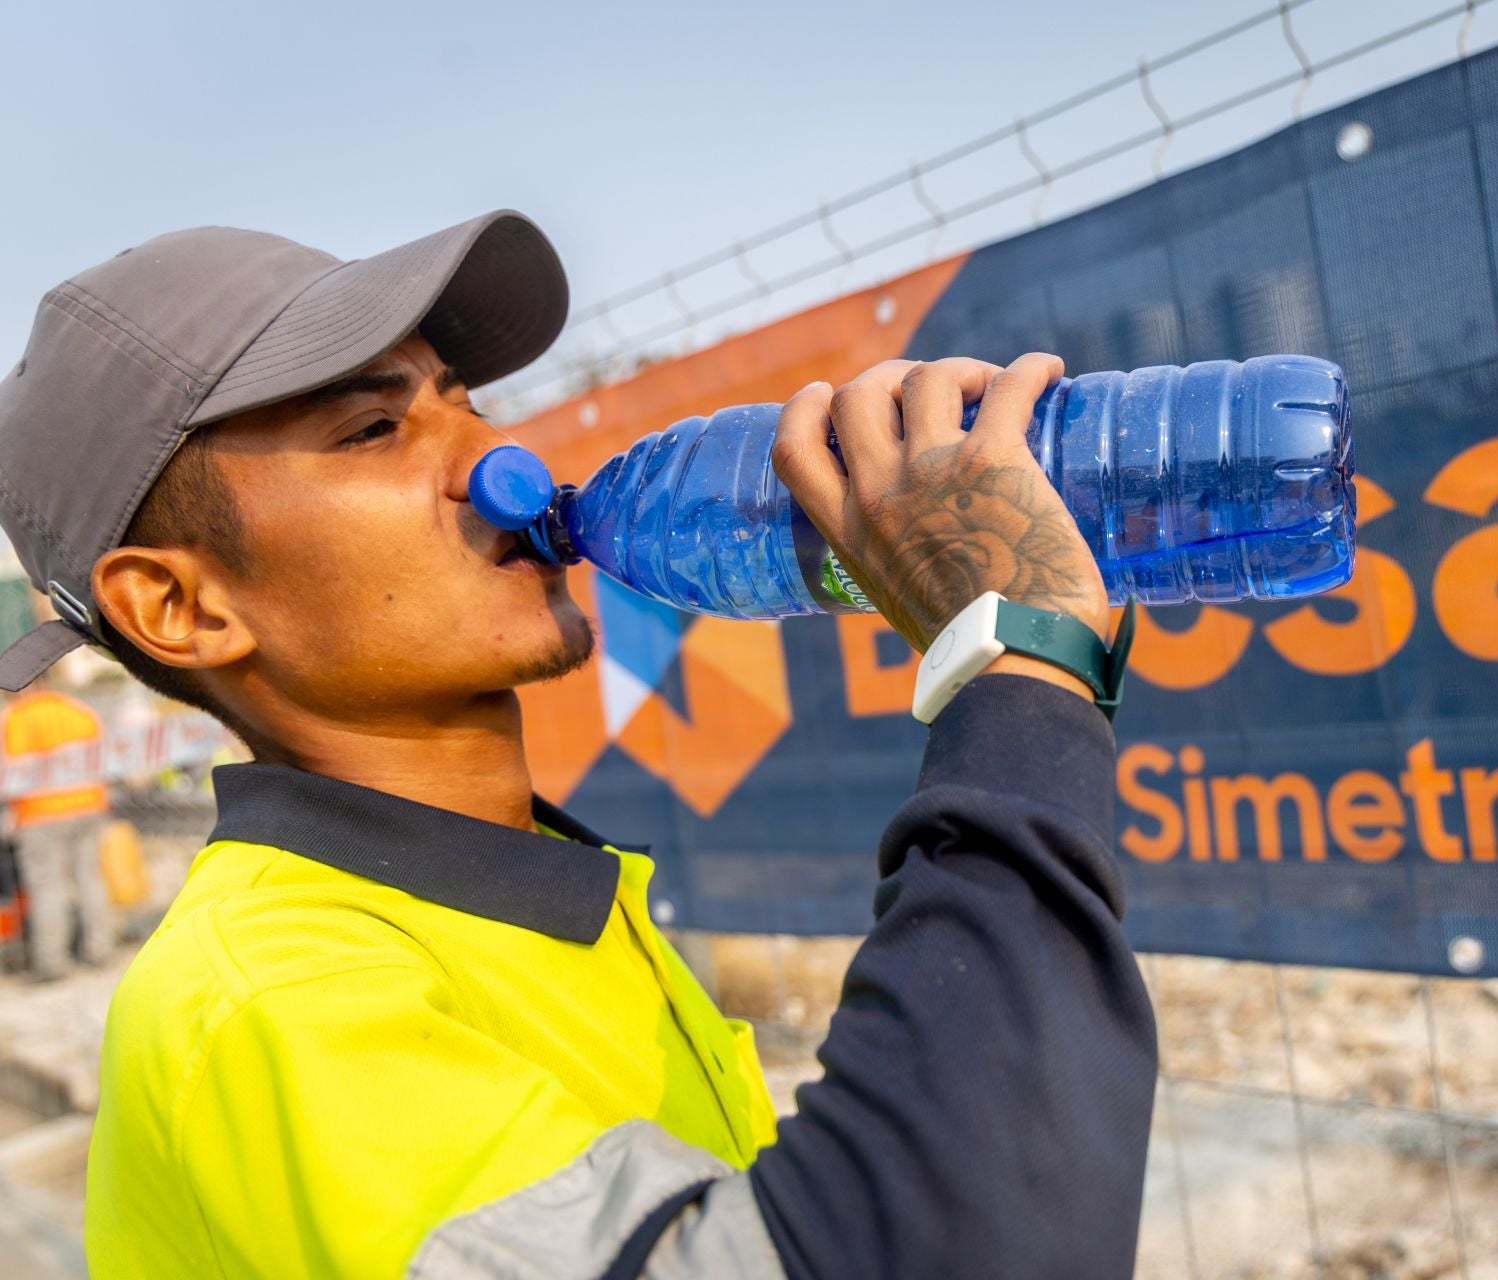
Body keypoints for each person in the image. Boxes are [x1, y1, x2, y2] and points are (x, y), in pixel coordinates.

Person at [0, 212, 1156, 1278]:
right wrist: (1017, 667)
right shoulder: (278, 1000)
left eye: (465, 400)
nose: (503, 469)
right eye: (372, 427)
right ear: (179, 608)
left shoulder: (513, 893)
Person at [1, 669, 115, 979]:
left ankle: (52, 963)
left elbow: (9, 772)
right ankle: (100, 949)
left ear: (31, 681)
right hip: (89, 805)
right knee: (90, 879)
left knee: (48, 888)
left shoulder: (19, 717)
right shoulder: (79, 712)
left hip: (41, 813)